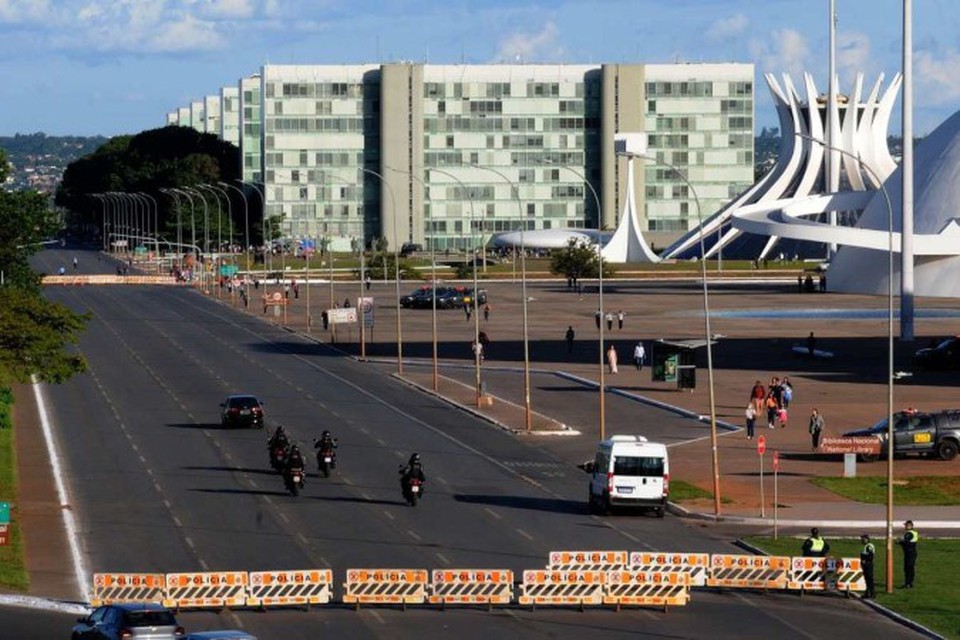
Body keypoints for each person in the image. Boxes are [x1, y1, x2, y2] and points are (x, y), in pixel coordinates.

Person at [898, 520, 919, 588]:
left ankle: (908, 583)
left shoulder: (909, 533)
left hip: (909, 553)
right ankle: (909, 582)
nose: (905, 527)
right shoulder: (913, 533)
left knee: (908, 568)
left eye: (906, 525)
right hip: (911, 552)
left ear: (910, 526)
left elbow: (906, 542)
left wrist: (900, 542)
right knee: (910, 568)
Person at [860, 533, 876, 598]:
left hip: (868, 565)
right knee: (867, 579)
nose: (862, 540)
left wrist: (865, 560)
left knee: (869, 579)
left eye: (863, 539)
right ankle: (867, 593)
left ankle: (872, 593)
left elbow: (870, 555)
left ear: (867, 539)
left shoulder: (869, 546)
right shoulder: (866, 546)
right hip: (866, 564)